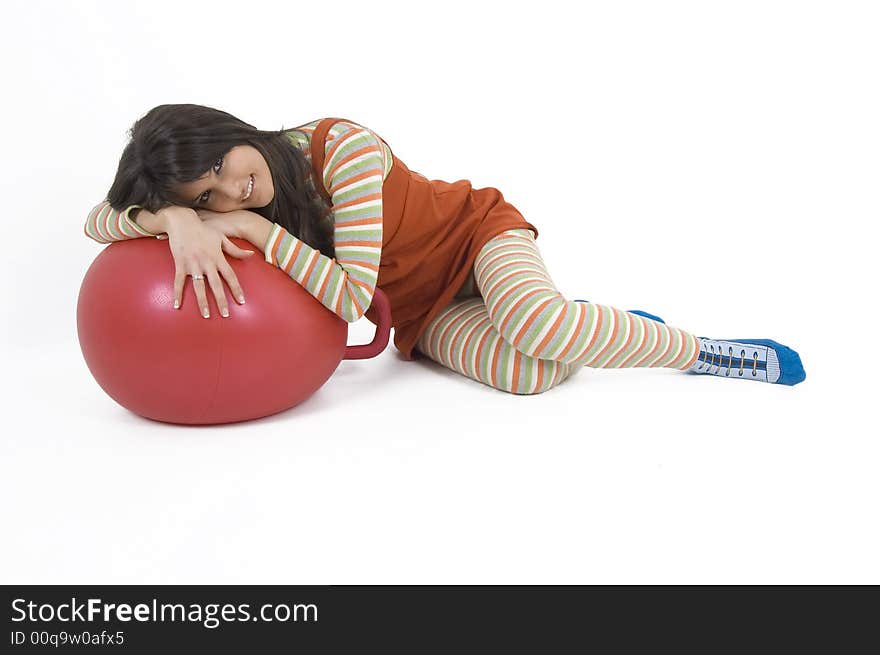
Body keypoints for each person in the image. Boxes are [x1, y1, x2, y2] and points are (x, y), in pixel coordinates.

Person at [84, 104, 806, 394]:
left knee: (537, 326)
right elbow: (96, 222)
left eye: (222, 165)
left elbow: (348, 300)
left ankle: (696, 349)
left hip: (474, 237)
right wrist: (172, 223)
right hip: (424, 309)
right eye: (206, 197)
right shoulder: (206, 209)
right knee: (532, 375)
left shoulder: (342, 150)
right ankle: (599, 323)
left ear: (231, 128)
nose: (233, 190)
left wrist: (251, 230)